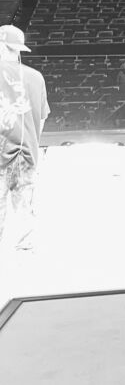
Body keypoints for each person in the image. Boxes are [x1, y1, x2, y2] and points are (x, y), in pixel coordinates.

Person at [0, 25, 50, 252]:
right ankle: (24, 254)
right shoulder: (36, 77)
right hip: (27, 153)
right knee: (25, 216)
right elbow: (41, 119)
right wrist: (32, 144)